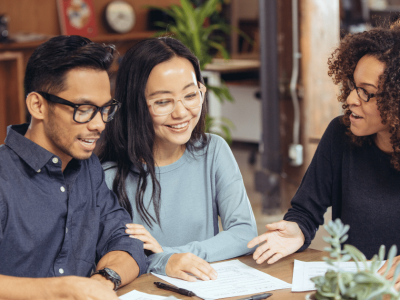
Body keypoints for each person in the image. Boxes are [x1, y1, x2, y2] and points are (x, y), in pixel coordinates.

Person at [247, 24, 400, 287]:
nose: (351, 98)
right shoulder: (340, 135)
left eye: (366, 92)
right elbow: (306, 210)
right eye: (353, 85)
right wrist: (296, 231)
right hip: (352, 289)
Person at [98, 37, 258, 282]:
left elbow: (244, 233)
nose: (181, 112)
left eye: (191, 95)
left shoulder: (213, 151)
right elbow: (108, 259)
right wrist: (163, 261)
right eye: (163, 101)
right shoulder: (108, 176)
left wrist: (168, 255)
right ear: (134, 104)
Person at [0, 35, 147, 300]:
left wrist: (104, 280)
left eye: (104, 109)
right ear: (38, 105)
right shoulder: (3, 177)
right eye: (84, 109)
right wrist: (62, 291)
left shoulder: (88, 167)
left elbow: (126, 241)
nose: (99, 125)